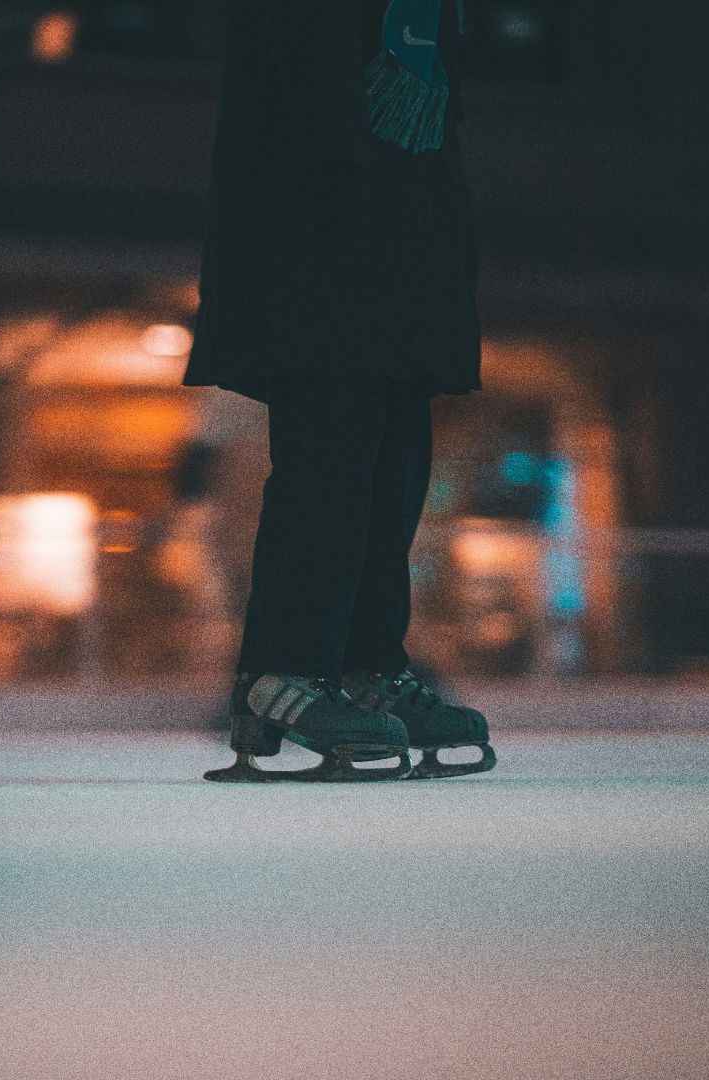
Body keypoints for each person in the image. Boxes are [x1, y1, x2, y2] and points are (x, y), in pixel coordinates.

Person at [185, 0, 495, 781]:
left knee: (393, 464)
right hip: (327, 247)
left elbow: (436, 117)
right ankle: (283, 670)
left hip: (402, 247)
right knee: (330, 456)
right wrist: (338, 222)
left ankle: (366, 664)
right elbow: (306, 86)